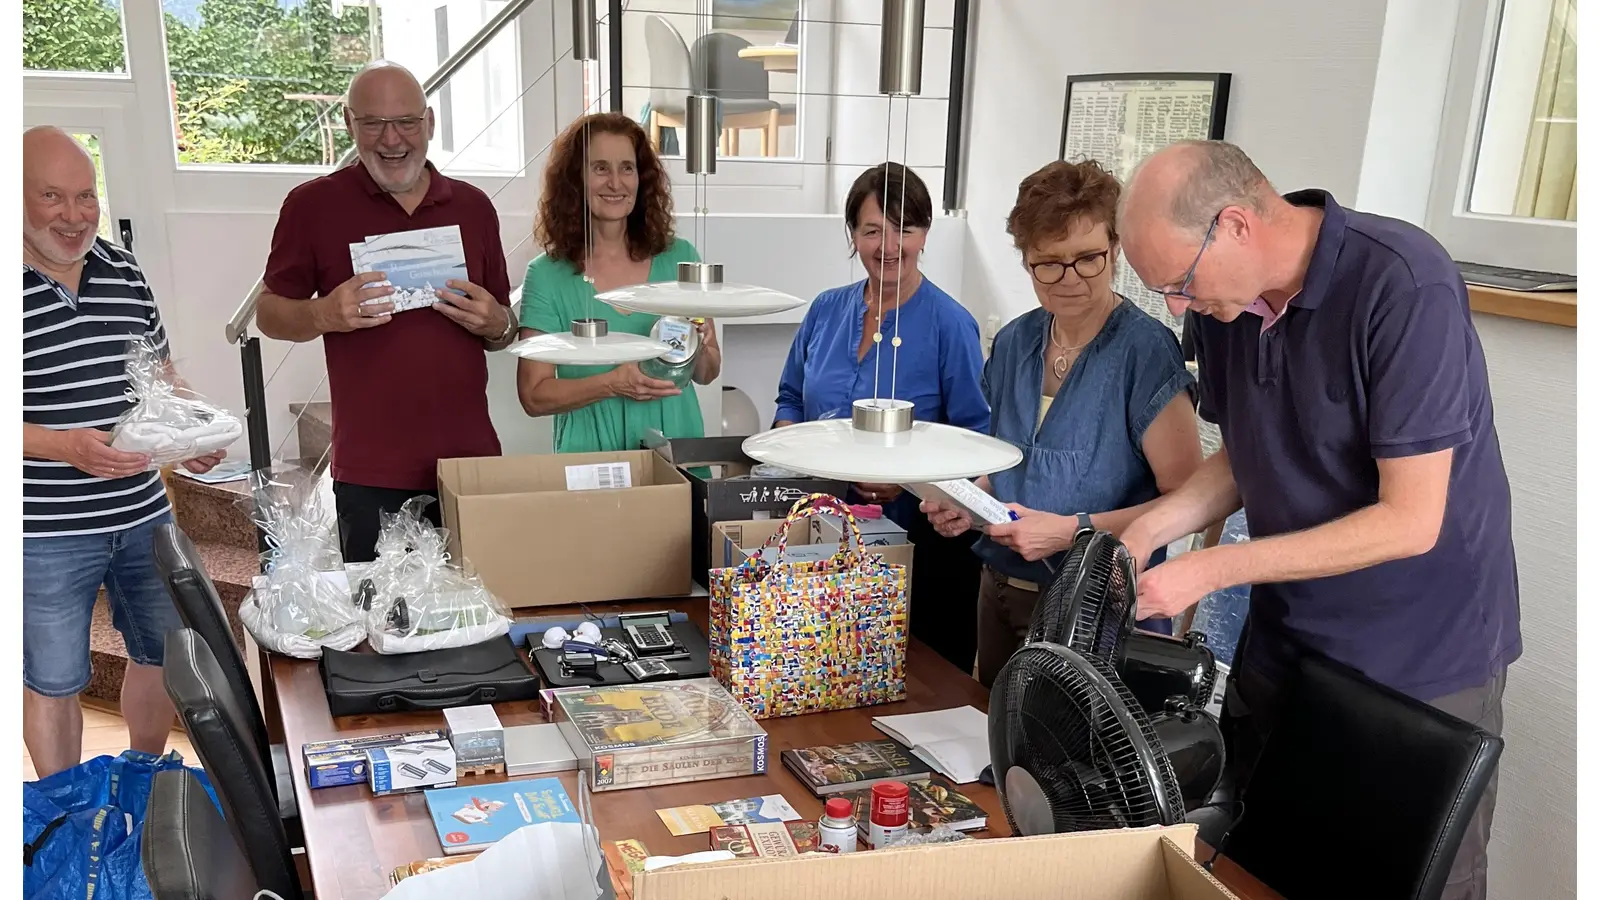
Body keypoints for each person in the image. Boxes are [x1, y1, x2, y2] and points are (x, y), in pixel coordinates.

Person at [1116, 139, 1520, 900]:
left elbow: (1410, 520)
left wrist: (1209, 567)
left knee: (1407, 880)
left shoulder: (1403, 282)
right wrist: (1148, 531)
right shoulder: (1223, 306)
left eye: (1179, 281)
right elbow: (1246, 455)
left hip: (1419, 659)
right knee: (1255, 860)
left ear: (1235, 224)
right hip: (1288, 640)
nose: (1176, 305)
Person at [919, 160, 1202, 688]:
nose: (1069, 279)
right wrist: (966, 502)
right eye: (1048, 263)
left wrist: (1071, 530)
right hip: (1000, 589)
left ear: (1116, 250)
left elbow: (1186, 498)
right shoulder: (1014, 344)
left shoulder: (1144, 352)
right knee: (995, 750)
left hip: (1095, 605)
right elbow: (1011, 469)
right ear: (1026, 262)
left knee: (1071, 760)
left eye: (1087, 259)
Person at [21, 126, 227, 778]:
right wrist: (62, 447)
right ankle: (62, 811)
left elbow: (161, 379)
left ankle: (141, 780)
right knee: (53, 680)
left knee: (163, 655)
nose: (75, 215)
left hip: (143, 512)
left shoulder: (123, 269)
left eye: (86, 196)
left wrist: (191, 433)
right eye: (52, 196)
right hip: (42, 530)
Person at [257, 60, 517, 563]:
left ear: (430, 124)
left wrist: (498, 323)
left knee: (482, 619)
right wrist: (323, 314)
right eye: (373, 123)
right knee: (381, 630)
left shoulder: (474, 207)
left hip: (471, 465)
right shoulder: (312, 206)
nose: (392, 139)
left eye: (407, 122)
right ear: (350, 125)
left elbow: (502, 329)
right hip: (371, 473)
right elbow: (269, 313)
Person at [773, 163, 990, 673]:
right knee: (819, 673)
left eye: (904, 228)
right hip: (823, 534)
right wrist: (800, 454)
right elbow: (788, 401)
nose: (888, 244)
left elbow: (975, 439)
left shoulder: (951, 324)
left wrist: (907, 479)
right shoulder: (825, 310)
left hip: (922, 548)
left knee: (916, 684)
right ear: (852, 235)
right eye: (872, 230)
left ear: (926, 233)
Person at [517, 112, 719, 452]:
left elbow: (708, 372)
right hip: (589, 459)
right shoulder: (547, 275)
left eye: (627, 168)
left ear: (641, 178)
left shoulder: (680, 257)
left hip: (677, 449)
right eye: (600, 168)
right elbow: (533, 395)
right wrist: (612, 384)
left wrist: (702, 344)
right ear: (575, 180)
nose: (616, 182)